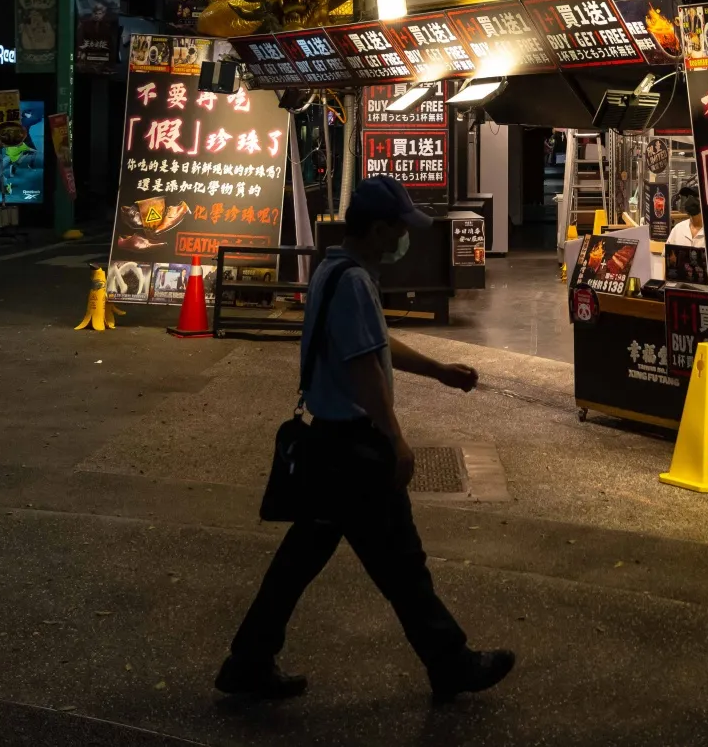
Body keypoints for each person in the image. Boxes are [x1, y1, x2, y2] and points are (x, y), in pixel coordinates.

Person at [217, 175, 516, 703]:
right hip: (354, 450)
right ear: (379, 229)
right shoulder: (353, 282)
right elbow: (364, 369)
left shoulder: (335, 271)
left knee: (302, 560)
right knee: (401, 561)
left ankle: (248, 661)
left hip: (329, 445)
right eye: (400, 228)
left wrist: (439, 370)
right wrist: (396, 439)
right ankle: (450, 664)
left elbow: (374, 344)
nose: (406, 238)